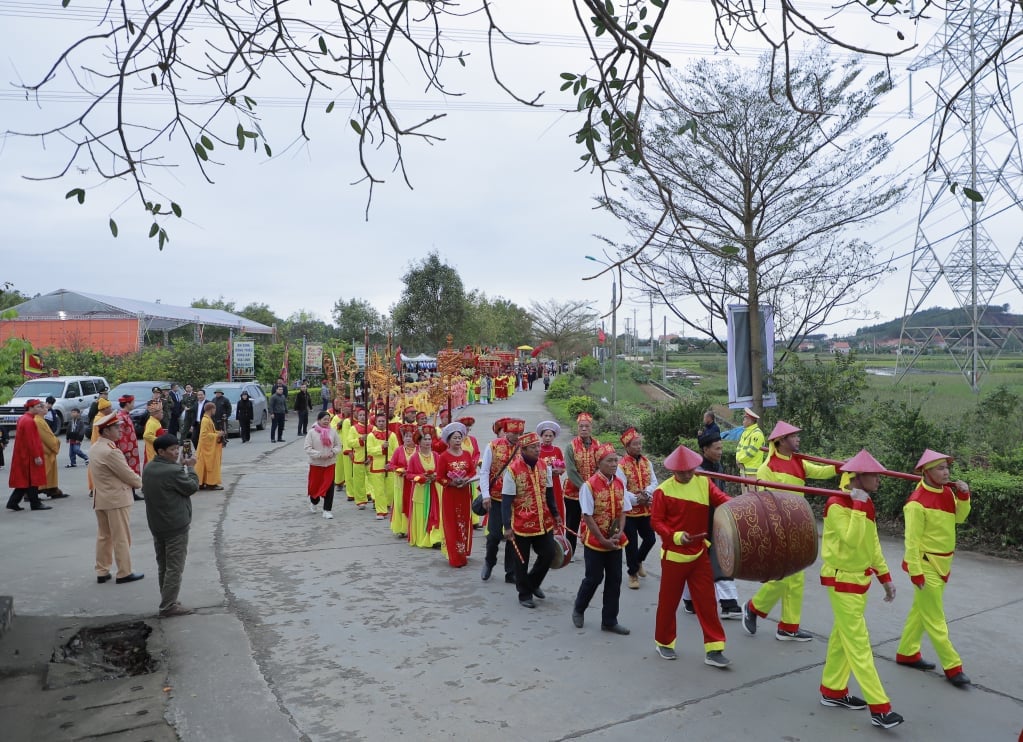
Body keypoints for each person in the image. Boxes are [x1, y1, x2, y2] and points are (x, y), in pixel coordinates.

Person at [819, 449, 904, 730]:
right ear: (857, 477)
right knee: (859, 643)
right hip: (842, 580)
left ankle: (832, 690)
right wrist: (856, 506)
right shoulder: (836, 504)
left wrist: (885, 577)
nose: (880, 479)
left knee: (842, 638)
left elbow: (872, 544)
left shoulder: (864, 503)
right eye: (875, 475)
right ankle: (880, 707)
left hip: (859, 580)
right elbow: (853, 540)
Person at [743, 420, 837, 642]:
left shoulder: (800, 462)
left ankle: (788, 627)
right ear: (782, 441)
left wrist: (842, 466)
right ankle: (754, 607)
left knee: (796, 579)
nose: (798, 439)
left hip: (799, 526)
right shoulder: (767, 468)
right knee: (784, 576)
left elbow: (822, 472)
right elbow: (766, 502)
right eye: (794, 436)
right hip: (780, 528)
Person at [895, 448, 972, 688]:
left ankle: (907, 652)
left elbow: (959, 518)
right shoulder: (916, 503)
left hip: (943, 563)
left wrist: (964, 496)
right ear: (926, 472)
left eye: (947, 467)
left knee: (921, 612)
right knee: (936, 619)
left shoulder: (948, 493)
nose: (946, 472)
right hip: (926, 564)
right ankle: (953, 666)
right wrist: (916, 572)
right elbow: (911, 542)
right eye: (940, 468)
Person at [651, 444, 732, 667]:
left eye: (690, 470)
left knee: (707, 602)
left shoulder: (703, 483)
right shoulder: (663, 491)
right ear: (673, 471)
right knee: (668, 603)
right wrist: (676, 536)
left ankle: (715, 648)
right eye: (682, 471)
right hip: (674, 556)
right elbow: (656, 521)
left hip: (699, 554)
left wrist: (741, 507)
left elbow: (722, 499)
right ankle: (664, 642)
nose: (687, 474)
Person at [572, 443, 630, 634]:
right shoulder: (588, 486)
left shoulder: (620, 483)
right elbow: (587, 517)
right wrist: (603, 540)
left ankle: (610, 620)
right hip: (596, 542)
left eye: (616, 460)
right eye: (610, 461)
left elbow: (623, 511)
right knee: (593, 578)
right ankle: (579, 608)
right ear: (600, 463)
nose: (615, 464)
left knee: (615, 580)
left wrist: (620, 531)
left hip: (614, 540)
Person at [683, 432, 742, 619]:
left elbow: (720, 493)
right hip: (699, 521)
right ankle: (690, 600)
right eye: (717, 448)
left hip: (717, 519)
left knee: (722, 558)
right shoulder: (698, 471)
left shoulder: (718, 466)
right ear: (705, 449)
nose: (720, 452)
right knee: (693, 562)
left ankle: (729, 603)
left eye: (721, 448)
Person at [501, 431, 562, 609]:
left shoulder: (545, 466)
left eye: (538, 446)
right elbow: (506, 501)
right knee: (521, 561)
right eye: (534, 447)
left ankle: (533, 582)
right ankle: (524, 593)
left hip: (544, 520)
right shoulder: (512, 471)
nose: (538, 450)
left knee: (549, 553)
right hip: (522, 523)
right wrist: (507, 526)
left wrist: (556, 514)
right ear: (524, 450)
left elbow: (550, 493)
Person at [142, 433, 199, 617]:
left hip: (157, 524)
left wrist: (180, 465)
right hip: (175, 525)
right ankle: (168, 606)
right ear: (161, 451)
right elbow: (191, 487)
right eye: (173, 450)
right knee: (175, 566)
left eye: (177, 449)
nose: (177, 453)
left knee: (164, 565)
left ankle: (168, 598)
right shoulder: (172, 471)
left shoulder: (149, 467)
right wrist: (190, 468)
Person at [90, 412, 144, 584]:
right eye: (116, 427)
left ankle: (102, 570)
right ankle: (124, 572)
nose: (120, 430)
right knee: (121, 536)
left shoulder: (95, 448)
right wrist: (142, 483)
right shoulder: (111, 451)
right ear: (106, 431)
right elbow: (127, 474)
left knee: (104, 537)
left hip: (102, 499)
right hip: (116, 498)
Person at [479, 417, 523, 583]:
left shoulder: (523, 447)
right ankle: (489, 562)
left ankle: (510, 571)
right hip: (496, 497)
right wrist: (485, 495)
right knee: (494, 535)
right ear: (506, 431)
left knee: (514, 535)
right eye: (513, 433)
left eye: (519, 433)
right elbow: (484, 471)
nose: (517, 436)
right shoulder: (493, 446)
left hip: (516, 499)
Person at [617, 427, 657, 591]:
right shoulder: (621, 466)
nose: (639, 447)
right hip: (629, 512)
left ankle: (638, 560)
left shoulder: (648, 462)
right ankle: (632, 573)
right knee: (631, 543)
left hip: (646, 509)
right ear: (627, 447)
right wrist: (636, 499)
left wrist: (647, 494)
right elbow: (621, 489)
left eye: (640, 443)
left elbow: (654, 482)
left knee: (650, 539)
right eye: (635, 444)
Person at [437, 421, 477, 568]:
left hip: (464, 492)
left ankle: (463, 552)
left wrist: (466, 478)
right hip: (451, 494)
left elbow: (472, 471)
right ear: (448, 440)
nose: (458, 440)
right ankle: (454, 557)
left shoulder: (466, 454)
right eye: (454, 438)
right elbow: (439, 477)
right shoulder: (443, 457)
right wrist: (451, 482)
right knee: (452, 524)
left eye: (460, 437)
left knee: (464, 522)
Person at [563, 412, 602, 553]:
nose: (584, 429)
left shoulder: (598, 445)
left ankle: (590, 548)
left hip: (593, 492)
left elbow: (600, 466)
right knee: (572, 523)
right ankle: (570, 550)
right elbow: (571, 470)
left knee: (591, 521)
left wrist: (593, 487)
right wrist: (585, 487)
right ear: (577, 428)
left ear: (591, 427)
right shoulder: (570, 446)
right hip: (573, 492)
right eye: (581, 426)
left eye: (587, 426)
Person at [6, 399, 52, 511]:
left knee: (26, 480)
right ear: (30, 408)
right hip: (29, 455)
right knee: (32, 480)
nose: (40, 408)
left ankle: (13, 502)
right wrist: (36, 456)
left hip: (23, 454)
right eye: (38, 407)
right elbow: (31, 441)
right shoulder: (29, 421)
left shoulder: (23, 418)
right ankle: (35, 503)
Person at [406, 425, 443, 548]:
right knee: (423, 514)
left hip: (436, 490)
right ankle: (424, 538)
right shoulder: (414, 458)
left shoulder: (437, 456)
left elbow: (442, 472)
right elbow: (409, 475)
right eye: (424, 440)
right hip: (421, 490)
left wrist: (435, 476)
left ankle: (435, 537)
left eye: (429, 439)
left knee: (437, 513)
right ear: (419, 442)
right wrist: (420, 478)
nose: (427, 442)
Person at [304, 410, 342, 520]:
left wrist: (332, 452)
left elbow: (338, 446)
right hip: (316, 464)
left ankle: (327, 510)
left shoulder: (333, 432)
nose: (326, 421)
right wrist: (319, 455)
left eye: (328, 419)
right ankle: (314, 501)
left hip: (329, 464)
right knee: (314, 487)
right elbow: (307, 448)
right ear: (318, 420)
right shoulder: (312, 432)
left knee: (329, 487)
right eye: (324, 419)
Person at [387, 423, 418, 538]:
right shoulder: (399, 450)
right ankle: (402, 528)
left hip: (415, 483)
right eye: (406, 436)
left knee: (415, 504)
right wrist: (400, 470)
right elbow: (392, 465)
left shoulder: (419, 450)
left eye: (411, 436)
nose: (408, 438)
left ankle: (414, 528)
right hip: (401, 483)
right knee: (401, 504)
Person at [536, 420, 566, 522]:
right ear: (541, 436)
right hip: (542, 483)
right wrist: (548, 471)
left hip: (555, 483)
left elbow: (563, 467)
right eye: (545, 435)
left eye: (550, 436)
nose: (548, 438)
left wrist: (559, 470)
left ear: (554, 437)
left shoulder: (557, 450)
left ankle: (558, 530)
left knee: (556, 502)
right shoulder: (537, 450)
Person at [36, 400, 67, 499]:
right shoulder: (38, 421)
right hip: (45, 450)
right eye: (45, 407)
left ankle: (52, 489)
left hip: (48, 450)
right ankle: (33, 492)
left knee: (49, 472)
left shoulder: (41, 419)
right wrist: (56, 443)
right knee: (45, 472)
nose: (47, 408)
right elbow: (46, 437)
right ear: (39, 409)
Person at [366, 410, 391, 520]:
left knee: (389, 489)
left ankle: (389, 506)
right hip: (376, 465)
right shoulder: (371, 436)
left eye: (383, 421)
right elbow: (370, 450)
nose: (381, 423)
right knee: (379, 489)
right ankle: (381, 510)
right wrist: (381, 448)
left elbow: (395, 451)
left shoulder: (391, 435)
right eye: (379, 421)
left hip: (389, 466)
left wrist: (390, 462)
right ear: (376, 422)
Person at [194, 401, 224, 490]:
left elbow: (210, 432)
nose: (215, 411)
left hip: (206, 447)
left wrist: (218, 433)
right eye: (214, 409)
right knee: (209, 465)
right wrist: (217, 435)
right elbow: (204, 435)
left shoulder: (207, 419)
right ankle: (211, 484)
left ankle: (202, 483)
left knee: (203, 466)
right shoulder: (205, 420)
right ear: (211, 409)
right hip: (205, 448)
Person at [345, 405, 370, 509]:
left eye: (364, 415)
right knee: (358, 481)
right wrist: (360, 440)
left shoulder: (372, 428)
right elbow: (349, 442)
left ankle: (374, 497)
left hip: (371, 458)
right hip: (358, 457)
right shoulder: (353, 428)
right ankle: (361, 500)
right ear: (357, 416)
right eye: (360, 415)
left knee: (373, 479)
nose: (363, 417)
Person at [734, 407, 765, 489]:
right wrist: (738, 459)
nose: (743, 421)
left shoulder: (757, 434)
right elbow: (739, 448)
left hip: (753, 472)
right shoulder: (745, 432)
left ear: (750, 420)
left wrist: (739, 460)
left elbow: (751, 452)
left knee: (753, 498)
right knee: (745, 497)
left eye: (744, 419)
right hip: (743, 470)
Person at [142, 401, 165, 465]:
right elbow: (147, 435)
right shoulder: (152, 423)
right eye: (161, 412)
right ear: (156, 414)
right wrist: (160, 441)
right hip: (152, 452)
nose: (163, 414)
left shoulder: (155, 421)